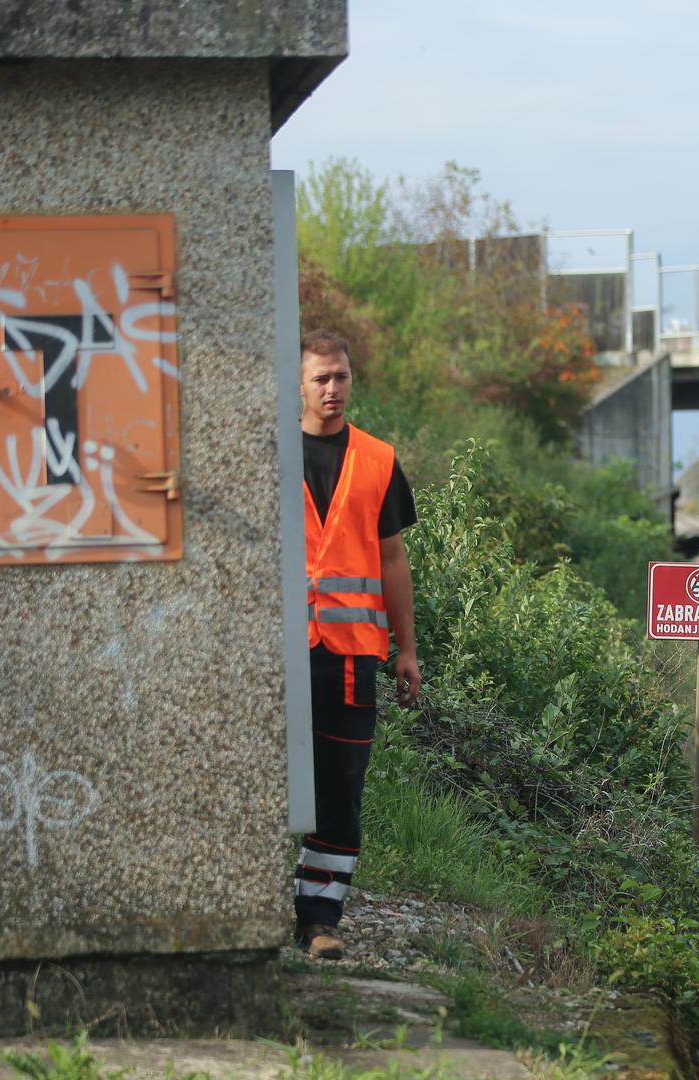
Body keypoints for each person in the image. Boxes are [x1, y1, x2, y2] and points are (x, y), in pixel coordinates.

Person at [293, 329, 421, 960]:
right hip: (278, 655)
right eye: (320, 377)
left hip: (349, 657)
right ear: (298, 384)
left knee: (340, 788)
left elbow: (393, 560)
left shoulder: (376, 459)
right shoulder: (267, 454)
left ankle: (319, 920)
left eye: (340, 376)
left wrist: (407, 649)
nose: (332, 388)